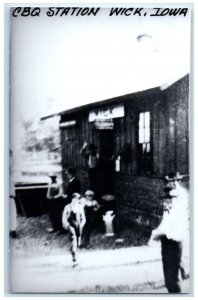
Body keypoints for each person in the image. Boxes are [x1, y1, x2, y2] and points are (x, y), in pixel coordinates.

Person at [150, 172, 189, 293]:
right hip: (167, 241)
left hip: (174, 240)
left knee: (173, 278)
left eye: (173, 181)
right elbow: (165, 221)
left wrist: (155, 234)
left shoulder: (179, 202)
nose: (166, 201)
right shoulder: (169, 207)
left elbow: (169, 227)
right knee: (169, 278)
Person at [62, 193, 86, 266]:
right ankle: (74, 259)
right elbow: (64, 218)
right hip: (71, 225)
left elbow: (84, 218)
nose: (76, 200)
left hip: (78, 226)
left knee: (78, 243)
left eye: (78, 199)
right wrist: (67, 225)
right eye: (74, 199)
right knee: (73, 241)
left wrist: (81, 225)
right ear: (72, 199)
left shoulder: (80, 207)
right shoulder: (68, 207)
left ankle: (75, 254)